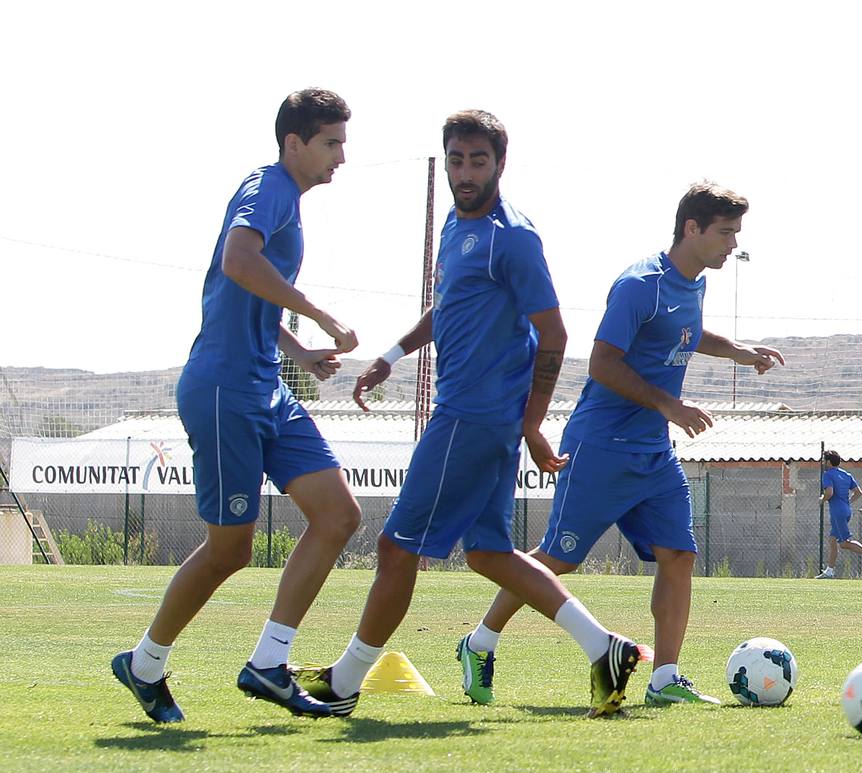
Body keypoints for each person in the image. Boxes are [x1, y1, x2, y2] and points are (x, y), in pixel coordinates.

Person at [307, 110, 641, 717]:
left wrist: (532, 422)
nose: (465, 173)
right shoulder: (456, 230)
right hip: (473, 417)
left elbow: (555, 334)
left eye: (477, 161)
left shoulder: (512, 237)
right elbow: (448, 307)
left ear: (500, 164)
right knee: (488, 553)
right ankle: (605, 647)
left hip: (469, 418)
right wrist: (390, 356)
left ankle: (345, 682)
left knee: (396, 547)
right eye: (456, 160)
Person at [460, 182, 784, 707]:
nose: (732, 244)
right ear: (692, 229)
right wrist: (668, 405)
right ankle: (479, 642)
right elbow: (602, 362)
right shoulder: (640, 284)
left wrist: (740, 352)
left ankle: (665, 678)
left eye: (735, 234)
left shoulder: (693, 285)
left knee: (679, 555)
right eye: (725, 233)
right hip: (601, 446)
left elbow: (687, 332)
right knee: (556, 560)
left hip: (653, 453)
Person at [112, 88, 363, 722]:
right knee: (231, 549)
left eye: (342, 141)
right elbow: (236, 261)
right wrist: (319, 314)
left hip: (265, 388)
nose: (341, 156)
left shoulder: (289, 200)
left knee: (337, 515)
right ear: (293, 144)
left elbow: (249, 291)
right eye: (331, 142)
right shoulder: (270, 187)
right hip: (223, 389)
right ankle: (144, 663)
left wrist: (298, 354)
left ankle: (269, 664)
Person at [817, 450, 862, 578]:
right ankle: (829, 571)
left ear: (828, 462)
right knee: (832, 540)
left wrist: (822, 499)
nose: (822, 462)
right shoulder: (846, 475)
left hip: (837, 512)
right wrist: (847, 503)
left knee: (843, 543)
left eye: (823, 460)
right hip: (846, 510)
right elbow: (858, 492)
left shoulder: (827, 475)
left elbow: (829, 493)